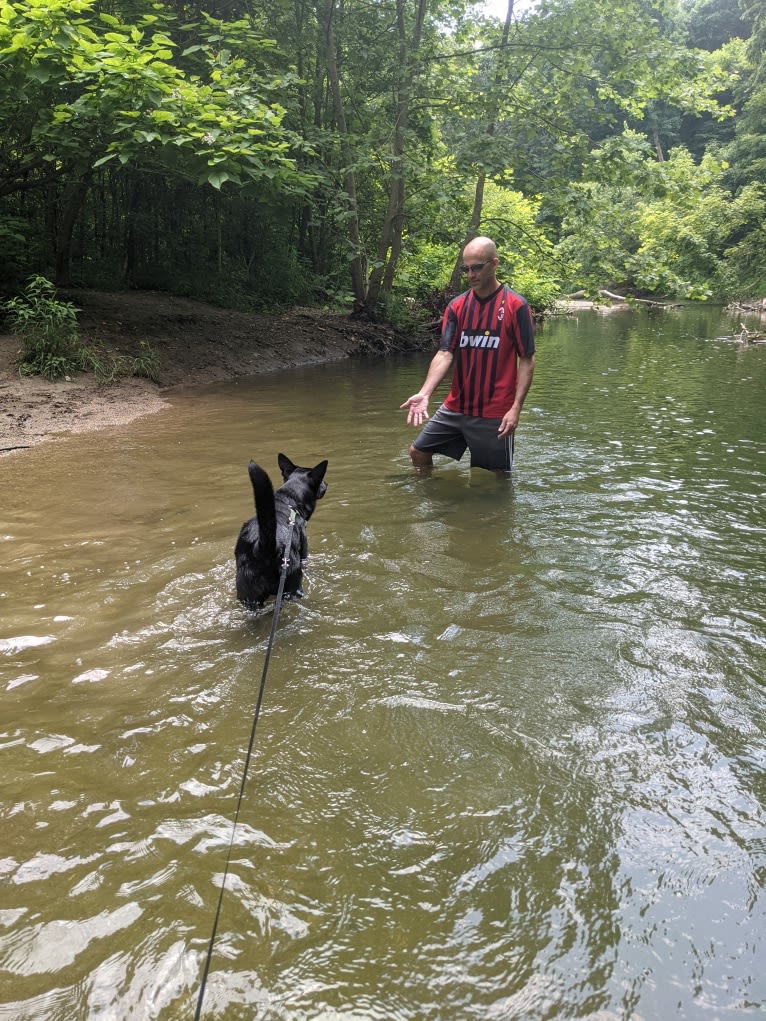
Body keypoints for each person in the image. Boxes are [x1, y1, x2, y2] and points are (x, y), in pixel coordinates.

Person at [400, 236, 536, 475]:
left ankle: (490, 513)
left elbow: (527, 359)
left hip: (495, 412)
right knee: (418, 452)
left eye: (476, 267)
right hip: (456, 407)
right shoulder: (457, 306)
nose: (471, 274)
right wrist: (425, 393)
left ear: (494, 264)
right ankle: (431, 503)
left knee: (493, 478)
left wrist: (516, 408)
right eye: (466, 269)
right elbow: (444, 353)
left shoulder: (516, 306)